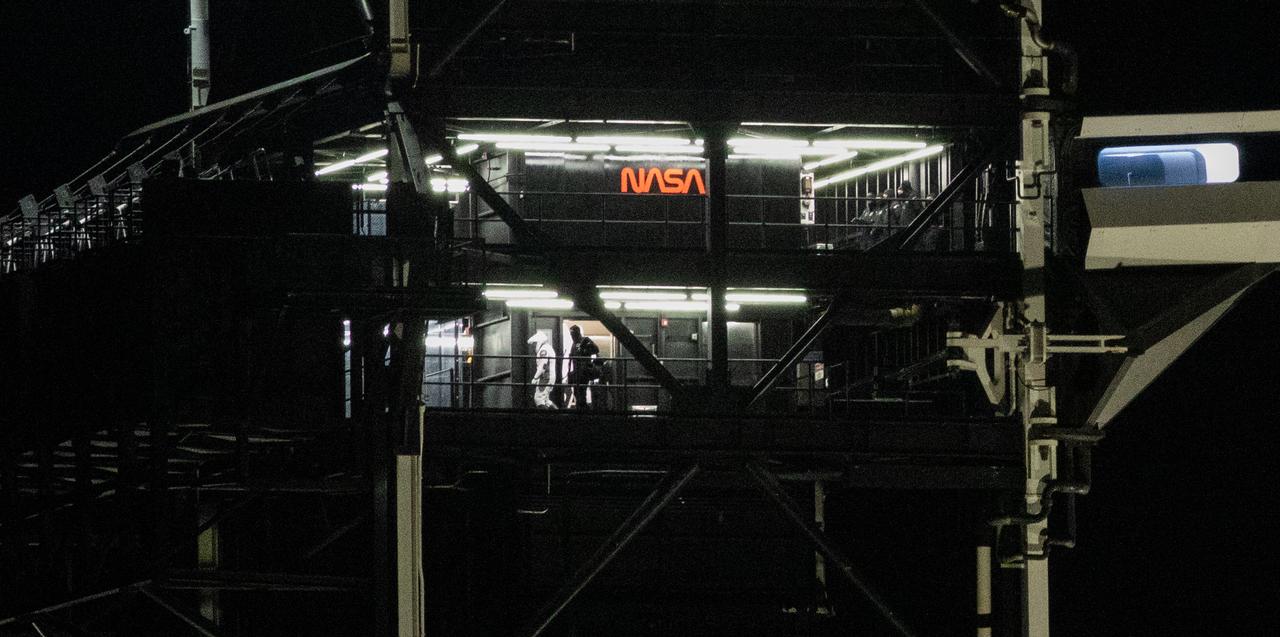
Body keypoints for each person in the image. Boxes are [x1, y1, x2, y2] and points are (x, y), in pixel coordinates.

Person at [567, 325, 600, 410]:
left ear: (577, 333)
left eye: (573, 334)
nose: (572, 336)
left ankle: (583, 410)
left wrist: (586, 349)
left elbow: (596, 349)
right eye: (571, 334)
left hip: (584, 371)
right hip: (576, 371)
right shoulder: (574, 343)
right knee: (577, 393)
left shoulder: (585, 340)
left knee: (581, 393)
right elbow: (572, 357)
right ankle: (581, 409)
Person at [527, 331, 557, 409]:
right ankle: (558, 416)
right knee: (546, 400)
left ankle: (544, 419)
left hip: (545, 377)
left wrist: (535, 378)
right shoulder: (548, 347)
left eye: (534, 343)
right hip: (549, 377)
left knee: (538, 399)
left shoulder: (543, 350)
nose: (534, 346)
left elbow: (542, 366)